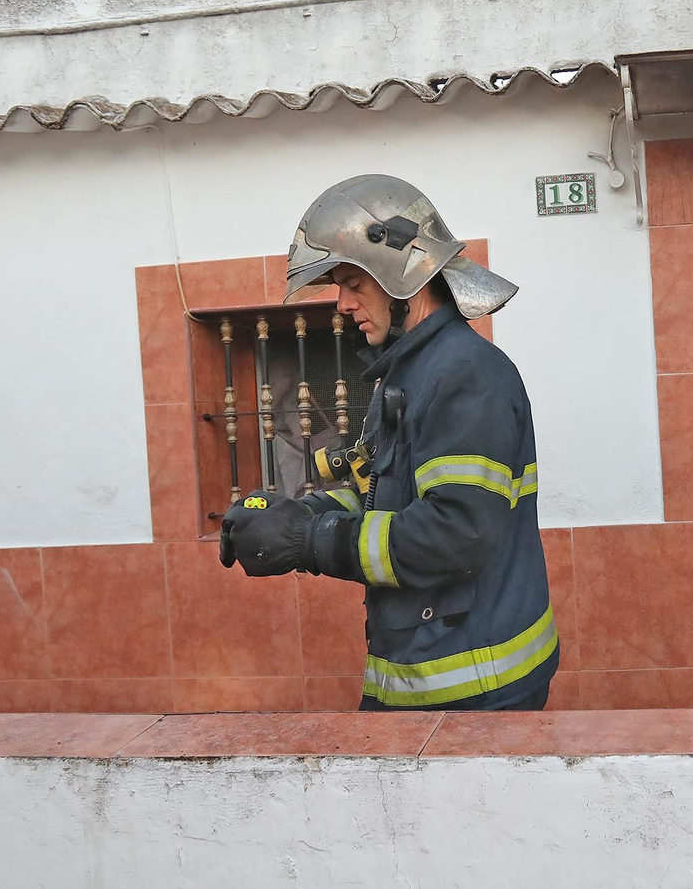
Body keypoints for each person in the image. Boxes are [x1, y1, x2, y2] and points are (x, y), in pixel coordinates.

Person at [218, 174, 557, 711]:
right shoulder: (407, 374)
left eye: (354, 284)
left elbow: (454, 534)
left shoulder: (465, 374)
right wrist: (293, 517)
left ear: (407, 276)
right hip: (424, 669)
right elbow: (378, 490)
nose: (343, 305)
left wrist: (313, 542)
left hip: (473, 687)